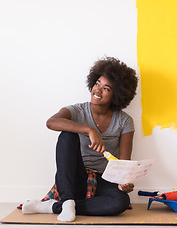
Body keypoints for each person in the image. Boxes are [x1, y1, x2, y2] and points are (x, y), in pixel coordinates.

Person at [22, 57, 138, 222]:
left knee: (121, 202)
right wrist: (89, 130)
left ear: (117, 95)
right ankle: (68, 201)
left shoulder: (124, 121)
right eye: (97, 83)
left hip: (105, 180)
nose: (98, 90)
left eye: (106, 88)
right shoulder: (77, 111)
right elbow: (51, 122)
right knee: (67, 134)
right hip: (75, 178)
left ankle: (53, 206)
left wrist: (124, 183)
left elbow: (125, 164)